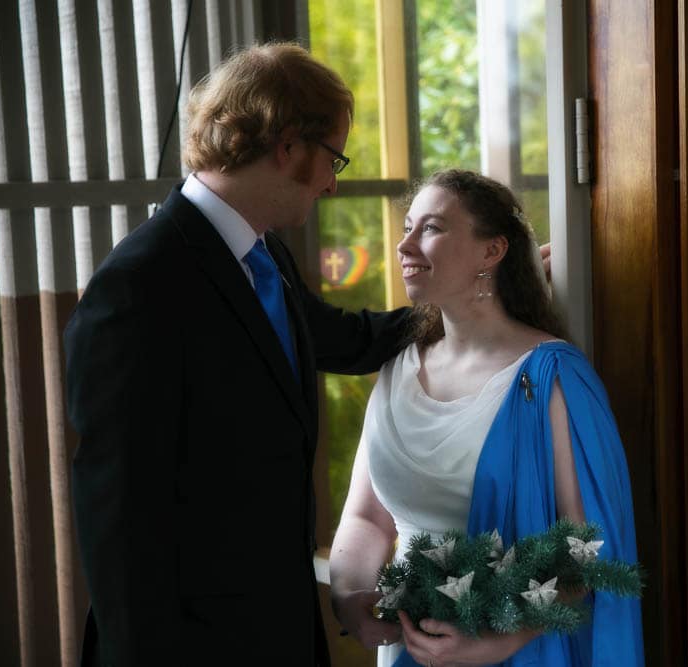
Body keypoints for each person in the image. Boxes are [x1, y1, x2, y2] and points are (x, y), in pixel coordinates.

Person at [64, 43, 408, 666]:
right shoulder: (139, 286)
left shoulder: (265, 257)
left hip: (275, 628)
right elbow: (118, 521)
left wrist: (467, 303)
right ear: (288, 147)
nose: (334, 181)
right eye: (333, 156)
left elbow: (346, 339)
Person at [329, 170, 644, 667]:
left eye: (430, 228)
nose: (404, 244)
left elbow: (588, 547)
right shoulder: (396, 369)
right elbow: (367, 517)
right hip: (409, 651)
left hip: (521, 652)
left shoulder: (553, 377)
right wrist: (350, 597)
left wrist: (500, 639)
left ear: (491, 252)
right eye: (407, 227)